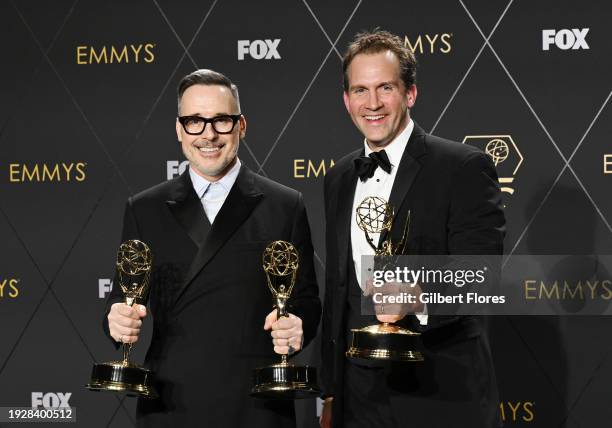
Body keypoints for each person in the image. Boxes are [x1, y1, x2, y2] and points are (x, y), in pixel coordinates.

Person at [102, 69, 321, 427]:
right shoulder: (144, 209)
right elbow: (123, 297)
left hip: (256, 406)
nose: (209, 134)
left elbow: (307, 301)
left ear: (241, 125)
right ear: (179, 130)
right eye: (194, 121)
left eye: (221, 120)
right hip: (172, 404)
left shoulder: (285, 205)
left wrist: (298, 325)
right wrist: (115, 320)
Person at [320, 30, 505, 428]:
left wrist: (419, 296)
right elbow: (338, 294)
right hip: (359, 399)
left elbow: (483, 277)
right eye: (361, 90)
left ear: (410, 94)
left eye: (385, 87)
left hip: (441, 395)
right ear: (346, 100)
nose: (372, 104)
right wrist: (330, 391)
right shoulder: (337, 178)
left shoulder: (462, 167)